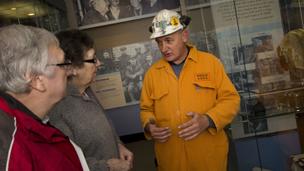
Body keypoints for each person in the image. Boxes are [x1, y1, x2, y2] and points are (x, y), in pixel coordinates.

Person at [140, 9, 240, 171]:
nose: (164, 48)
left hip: (208, 159)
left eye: (168, 40)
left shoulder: (210, 63)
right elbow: (146, 109)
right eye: (159, 42)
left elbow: (231, 100)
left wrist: (208, 120)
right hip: (172, 161)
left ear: (184, 36)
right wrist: (149, 126)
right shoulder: (152, 74)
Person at [0, 25, 89, 170]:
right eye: (63, 64)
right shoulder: (10, 149)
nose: (70, 71)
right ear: (37, 80)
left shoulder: (29, 125)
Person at [48, 30, 133, 171]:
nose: (98, 63)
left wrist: (119, 145)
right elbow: (66, 163)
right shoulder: (57, 109)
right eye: (93, 59)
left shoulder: (86, 89)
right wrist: (107, 167)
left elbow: (106, 123)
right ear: (72, 68)